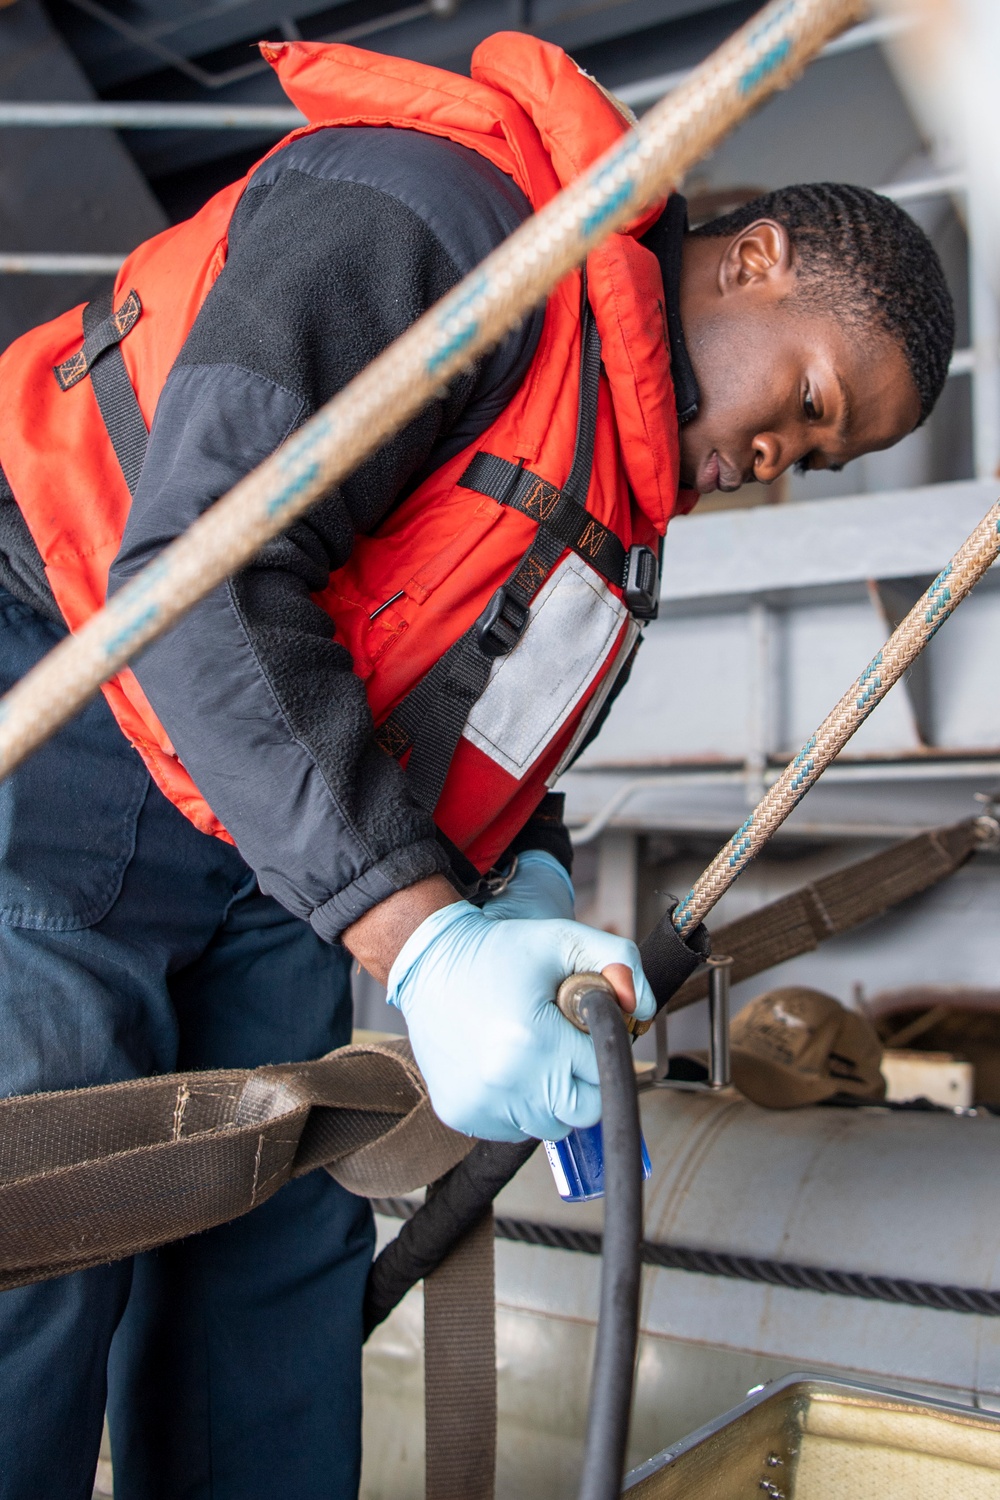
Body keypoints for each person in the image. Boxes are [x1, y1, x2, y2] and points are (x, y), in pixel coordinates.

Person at [0, 29, 954, 1500]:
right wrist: (425, 943)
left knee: (280, 1235)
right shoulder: (428, 216)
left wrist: (520, 886)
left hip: (262, 808)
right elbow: (201, 572)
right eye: (813, 406)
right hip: (58, 677)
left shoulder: (613, 523)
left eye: (820, 463)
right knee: (47, 1191)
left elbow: (475, 724)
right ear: (754, 260)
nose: (783, 460)